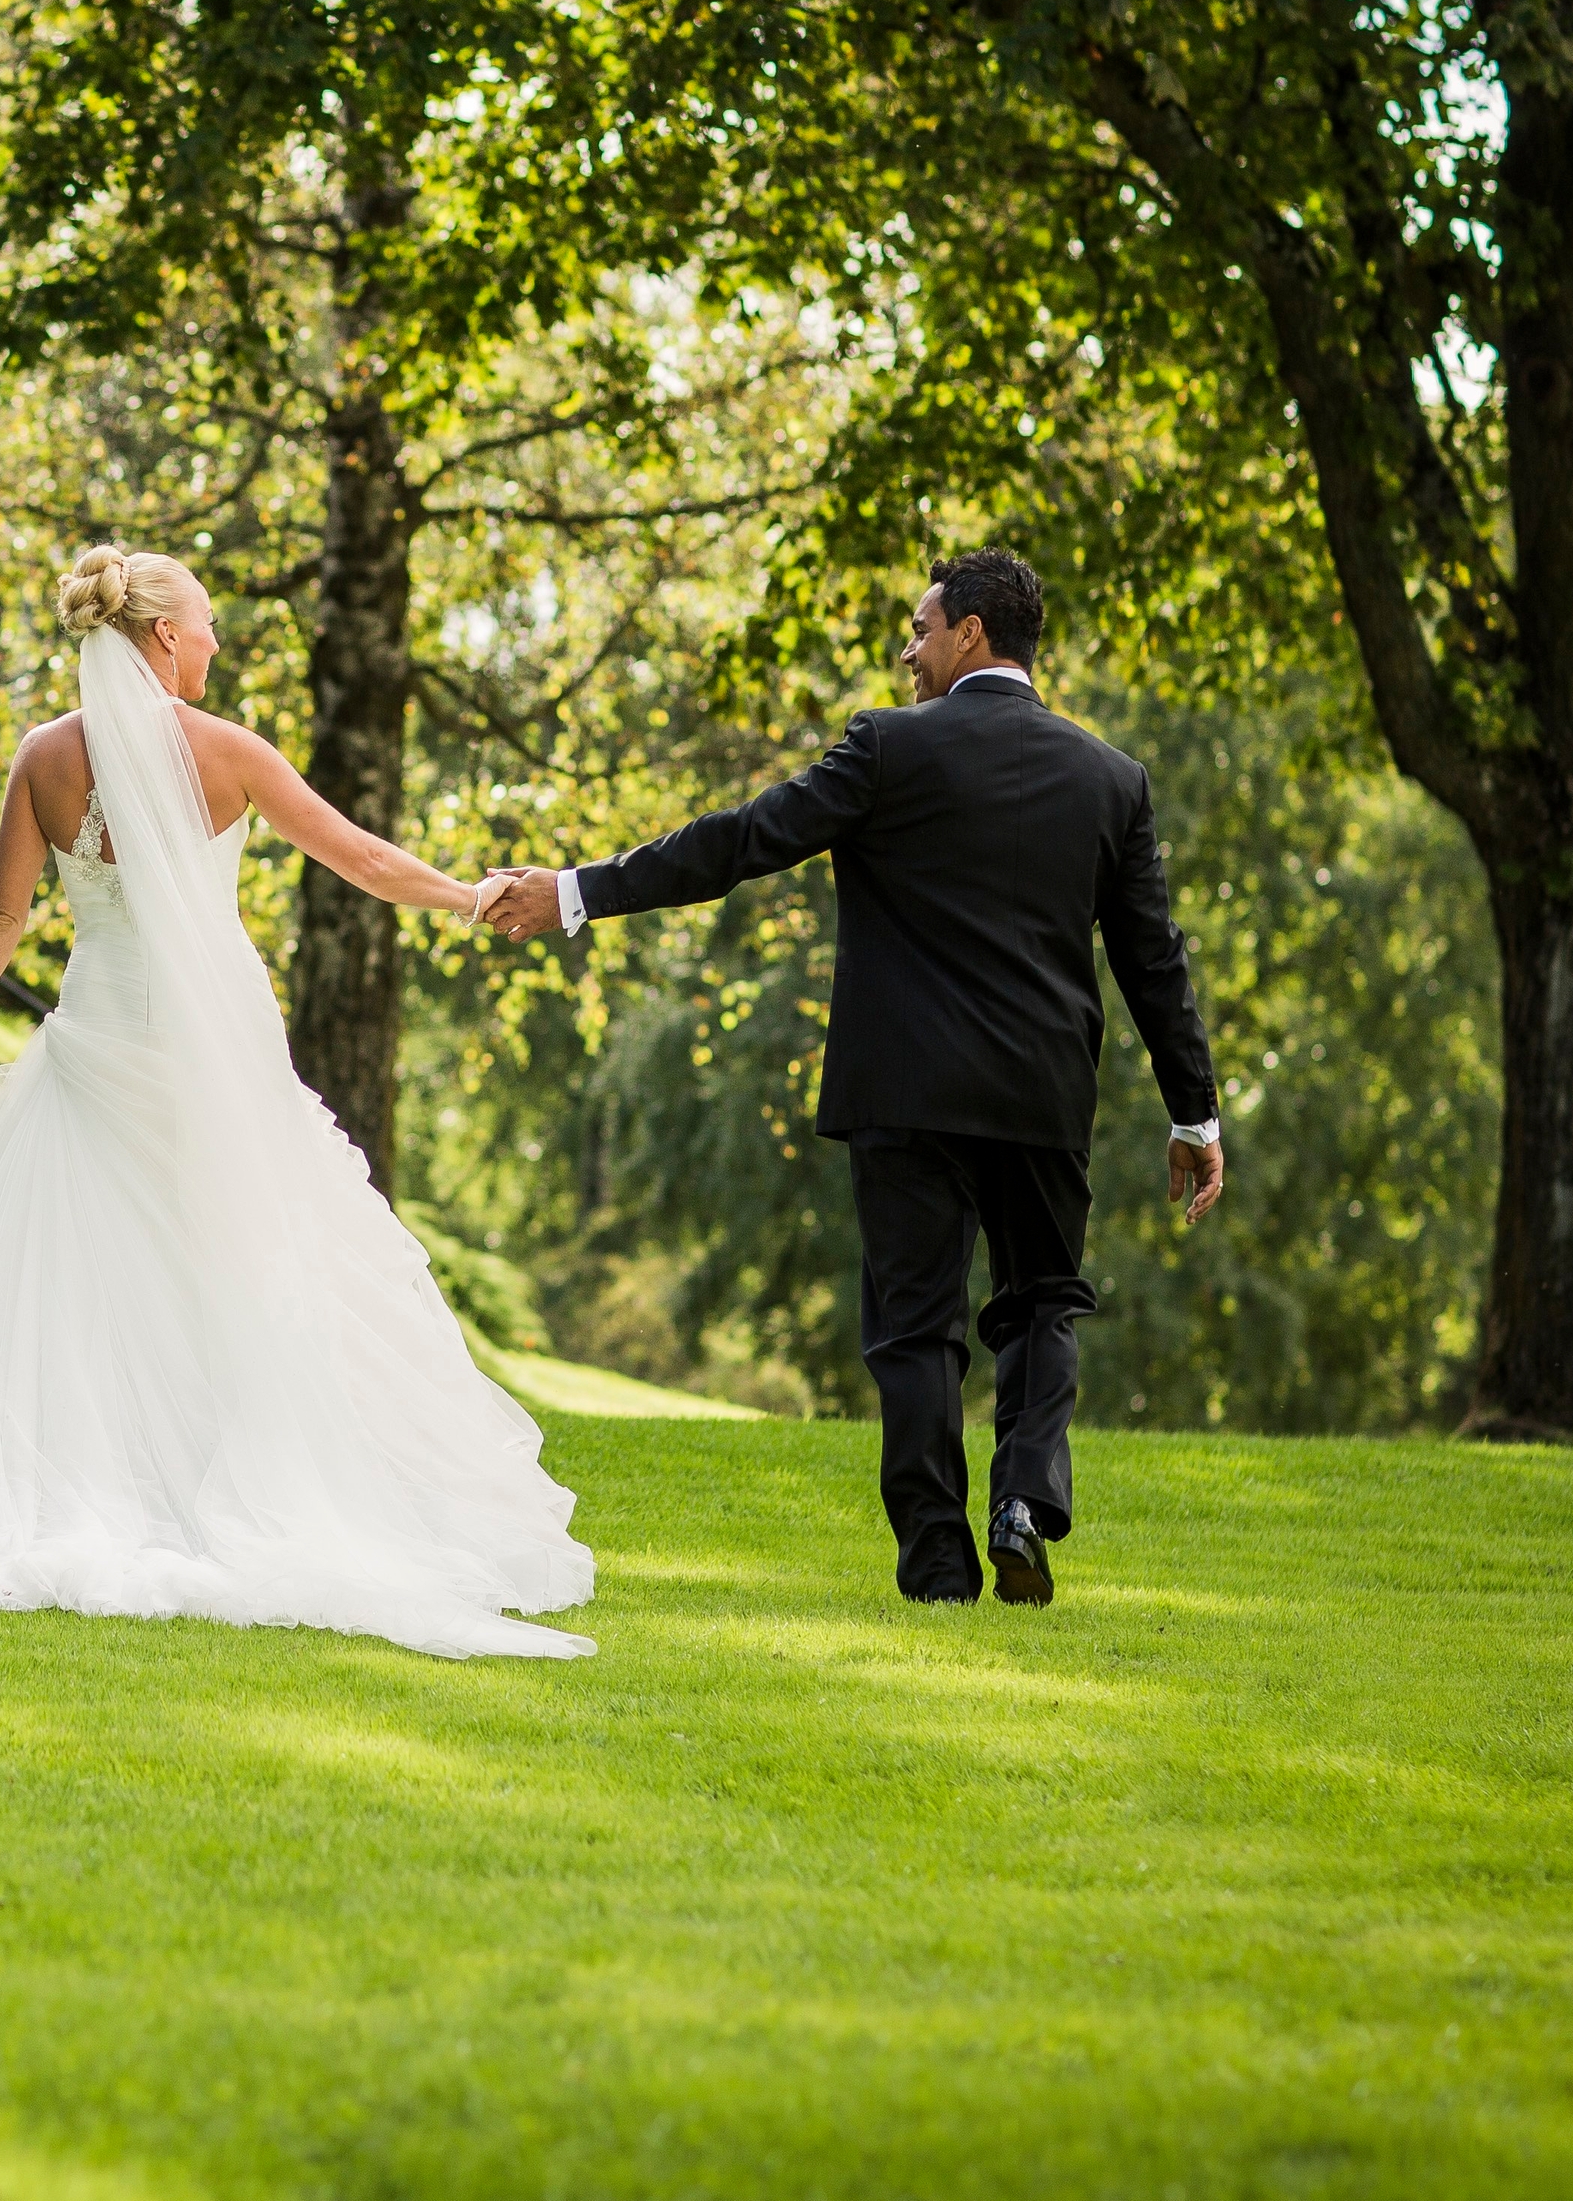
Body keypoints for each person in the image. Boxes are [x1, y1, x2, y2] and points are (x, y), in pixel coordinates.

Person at [0, 544, 596, 1661]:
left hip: (98, 1039)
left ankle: (81, 1486)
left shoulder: (44, 758)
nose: (214, 642)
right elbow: (351, 854)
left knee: (76, 1280)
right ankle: (212, 1488)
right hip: (212, 1050)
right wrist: (471, 894)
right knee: (243, 1265)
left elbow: (0, 914)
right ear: (162, 635)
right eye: (205, 624)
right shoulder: (227, 752)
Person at [483, 549, 1223, 1607]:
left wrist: (576, 893)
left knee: (917, 1331)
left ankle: (936, 1568)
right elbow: (1155, 964)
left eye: (919, 630)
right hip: (1042, 1096)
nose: (907, 653)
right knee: (1043, 1303)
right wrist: (1193, 1113)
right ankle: (1023, 1503)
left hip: (905, 1094)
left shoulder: (888, 748)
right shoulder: (1111, 778)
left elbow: (740, 843)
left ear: (971, 631)